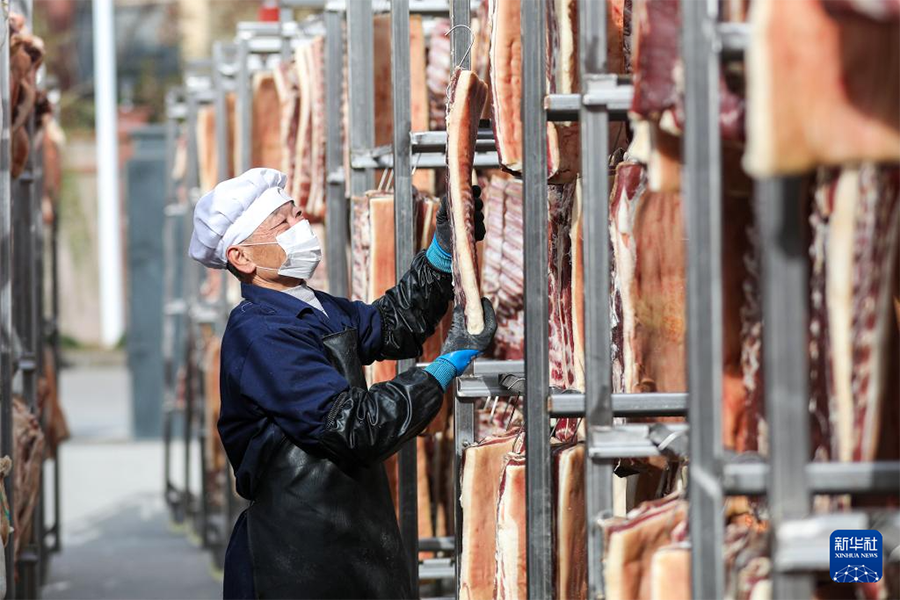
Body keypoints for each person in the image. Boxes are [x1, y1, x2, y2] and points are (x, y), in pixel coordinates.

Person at [188, 168, 495, 599]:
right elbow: (353, 425)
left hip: (350, 540)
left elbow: (391, 324)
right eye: (282, 222)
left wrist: (443, 252)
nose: (300, 223)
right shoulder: (261, 334)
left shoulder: (310, 306)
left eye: (295, 213)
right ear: (242, 258)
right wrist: (444, 366)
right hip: (300, 559)